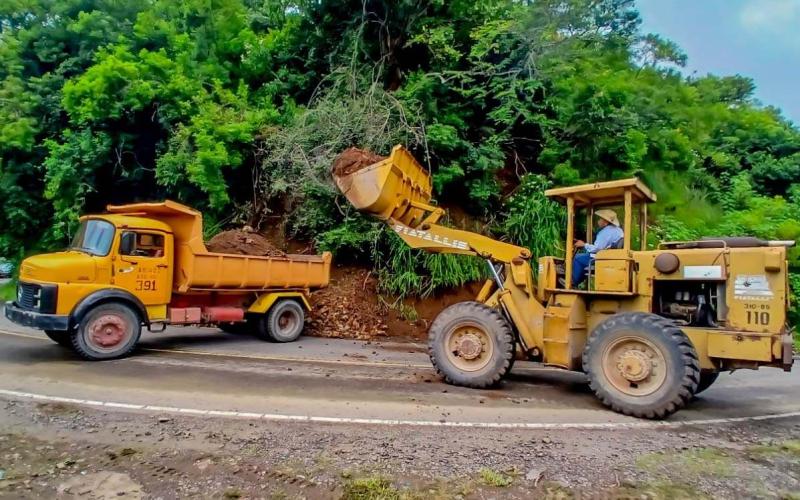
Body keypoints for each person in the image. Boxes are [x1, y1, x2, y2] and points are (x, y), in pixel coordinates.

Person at [571, 209, 623, 287]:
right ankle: (580, 283)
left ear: (605, 222)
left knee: (578, 259)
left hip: (603, 258)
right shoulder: (619, 230)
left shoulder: (605, 232)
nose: (598, 221)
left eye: (600, 219)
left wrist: (584, 245)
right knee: (583, 256)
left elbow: (597, 248)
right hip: (612, 256)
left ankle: (572, 283)